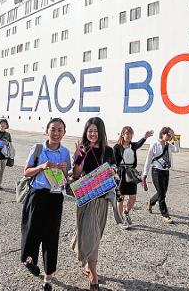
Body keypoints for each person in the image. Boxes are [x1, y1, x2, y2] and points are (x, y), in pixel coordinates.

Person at [21, 118, 71, 291]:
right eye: (53, 129)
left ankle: (48, 277)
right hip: (37, 195)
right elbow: (26, 172)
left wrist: (64, 171)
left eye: (60, 130)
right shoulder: (38, 149)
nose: (56, 133)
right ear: (46, 131)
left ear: (64, 132)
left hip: (55, 197)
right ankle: (29, 260)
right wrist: (42, 166)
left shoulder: (65, 152)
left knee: (51, 236)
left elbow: (67, 179)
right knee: (32, 231)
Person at [71, 117, 114, 290]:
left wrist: (113, 172)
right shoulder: (82, 149)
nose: (92, 133)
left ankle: (85, 257)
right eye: (90, 130)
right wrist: (79, 157)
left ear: (101, 131)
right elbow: (76, 174)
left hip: (102, 198)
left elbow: (112, 169)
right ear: (85, 132)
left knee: (95, 235)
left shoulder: (109, 151)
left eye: (96, 130)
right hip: (86, 198)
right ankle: (94, 277)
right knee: (91, 234)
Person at [113, 126, 153, 229]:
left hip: (131, 173)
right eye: (127, 133)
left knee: (133, 197)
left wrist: (145, 137)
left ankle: (126, 213)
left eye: (131, 134)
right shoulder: (117, 147)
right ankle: (121, 219)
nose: (129, 136)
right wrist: (115, 173)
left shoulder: (133, 146)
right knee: (120, 198)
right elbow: (113, 162)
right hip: (121, 173)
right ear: (123, 134)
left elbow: (139, 144)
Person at [142, 127, 179, 224]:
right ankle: (165, 215)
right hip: (156, 171)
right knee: (162, 193)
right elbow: (148, 159)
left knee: (163, 192)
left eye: (170, 135)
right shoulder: (154, 144)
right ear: (162, 134)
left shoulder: (169, 145)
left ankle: (151, 202)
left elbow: (177, 150)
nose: (169, 137)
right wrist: (144, 174)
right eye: (168, 135)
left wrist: (174, 138)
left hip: (165, 171)